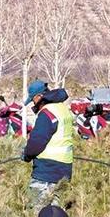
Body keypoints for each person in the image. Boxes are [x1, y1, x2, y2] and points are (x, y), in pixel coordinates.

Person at [21, 80, 75, 208]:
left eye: (33, 100)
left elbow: (36, 143)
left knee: (38, 213)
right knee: (57, 214)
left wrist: (26, 155)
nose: (33, 103)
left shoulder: (47, 113)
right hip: (65, 169)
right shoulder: (62, 108)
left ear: (39, 97)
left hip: (46, 172)